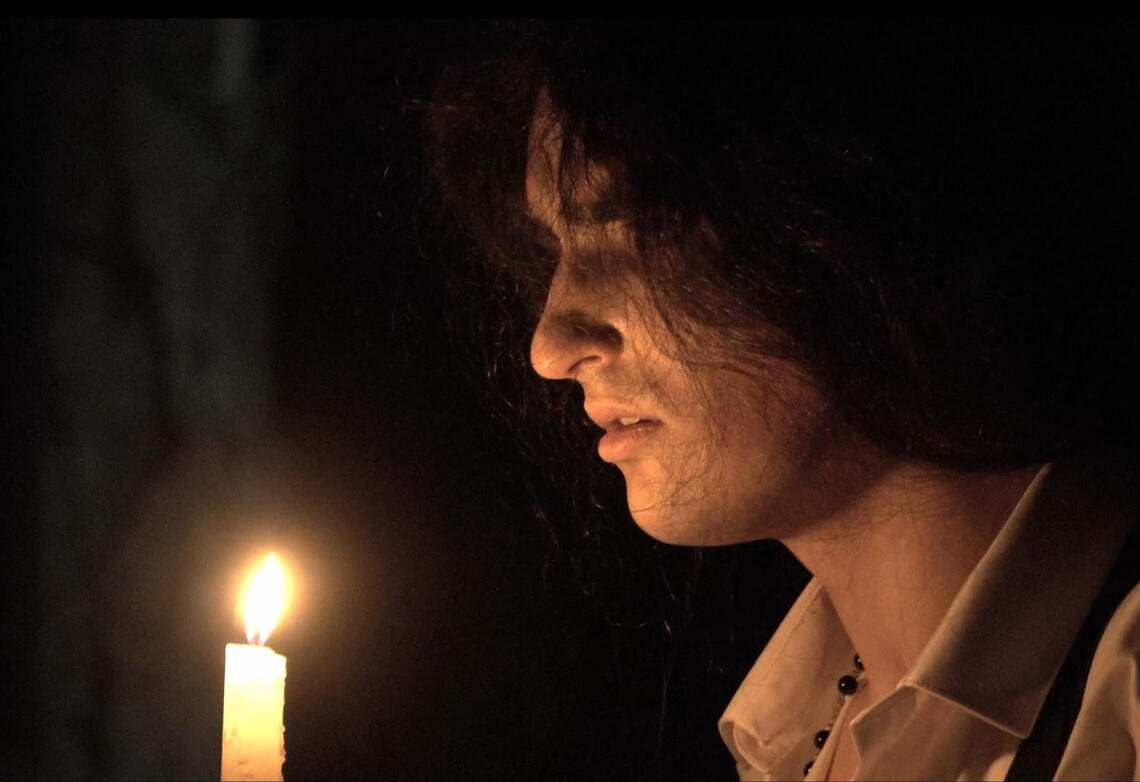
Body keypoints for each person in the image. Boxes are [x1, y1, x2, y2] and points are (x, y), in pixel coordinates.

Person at [427, 20, 1140, 781]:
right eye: (557, 250)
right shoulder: (781, 732)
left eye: (634, 226)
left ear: (858, 195)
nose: (549, 348)